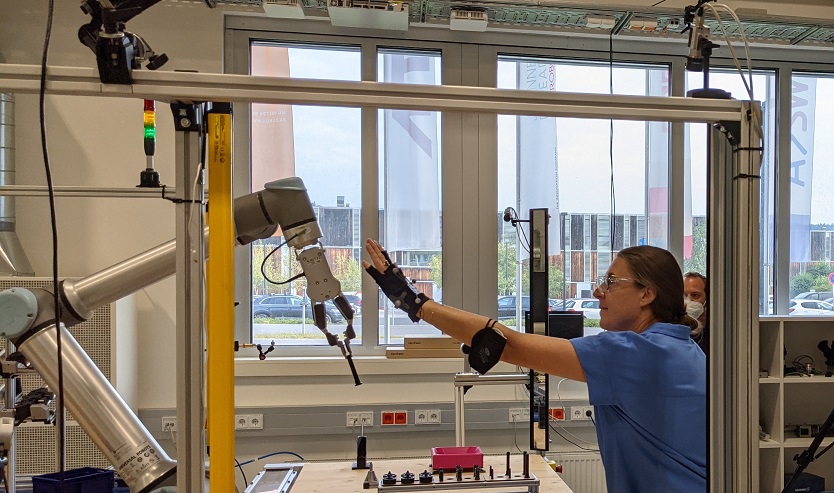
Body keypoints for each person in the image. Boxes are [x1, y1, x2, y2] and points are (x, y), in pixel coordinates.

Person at [363, 239, 706, 492]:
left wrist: (412, 301)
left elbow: (509, 344)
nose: (599, 291)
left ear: (647, 295)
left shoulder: (636, 353)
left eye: (612, 282)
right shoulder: (685, 349)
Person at [684, 271, 709, 357]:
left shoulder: (716, 332)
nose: (688, 301)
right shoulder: (678, 330)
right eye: (684, 295)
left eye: (695, 295)